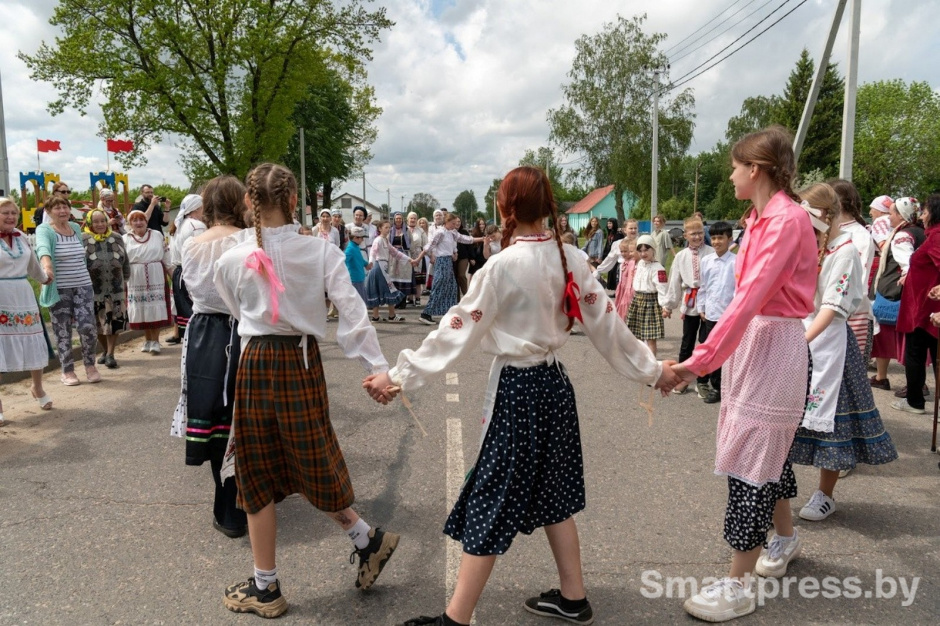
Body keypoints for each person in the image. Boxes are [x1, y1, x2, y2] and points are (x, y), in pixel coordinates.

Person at [363, 166, 678, 626]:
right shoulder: (568, 256)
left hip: (518, 389)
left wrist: (397, 376)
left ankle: (456, 618)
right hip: (554, 385)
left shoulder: (503, 265)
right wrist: (654, 372)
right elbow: (607, 325)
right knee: (554, 489)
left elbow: (457, 329)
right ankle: (573, 598)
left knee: (492, 494)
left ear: (506, 208)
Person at [213, 163, 399, 618]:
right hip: (299, 359)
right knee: (310, 455)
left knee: (257, 470)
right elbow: (353, 313)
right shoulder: (318, 252)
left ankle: (266, 586)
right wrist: (379, 369)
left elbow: (235, 311)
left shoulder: (230, 258)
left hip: (256, 360)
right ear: (294, 200)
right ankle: (365, 539)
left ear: (249, 203)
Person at [670, 127, 819, 622]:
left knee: (751, 464)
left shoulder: (784, 221)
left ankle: (738, 584)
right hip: (756, 341)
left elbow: (750, 298)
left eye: (735, 166)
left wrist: (696, 363)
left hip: (772, 341)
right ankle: (784, 537)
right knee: (764, 453)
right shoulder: (757, 219)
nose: (730, 174)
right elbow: (742, 303)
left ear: (754, 169)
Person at [788, 183, 898, 522]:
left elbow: (833, 308)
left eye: (806, 215)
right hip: (807, 335)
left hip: (830, 341)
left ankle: (825, 493)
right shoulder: (817, 246)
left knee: (833, 423)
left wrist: (801, 340)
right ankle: (778, 489)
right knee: (790, 417)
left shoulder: (847, 250)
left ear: (824, 215)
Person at [171, 175, 250, 539]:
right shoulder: (248, 239)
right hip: (241, 330)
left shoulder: (191, 243)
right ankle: (241, 503)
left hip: (203, 333)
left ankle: (225, 502)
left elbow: (189, 289)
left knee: (217, 418)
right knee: (243, 417)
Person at [35, 195, 102, 385]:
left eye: (65, 207)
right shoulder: (44, 230)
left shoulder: (74, 228)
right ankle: (67, 370)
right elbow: (43, 249)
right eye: (57, 208)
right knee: (62, 329)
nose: (62, 211)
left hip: (83, 284)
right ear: (48, 212)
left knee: (87, 326)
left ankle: (90, 365)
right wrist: (47, 267)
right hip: (59, 288)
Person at [0, 197, 53, 422]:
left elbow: (32, 264)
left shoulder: (21, 237)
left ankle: (37, 387)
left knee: (32, 341)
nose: (11, 217)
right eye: (5, 213)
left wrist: (44, 277)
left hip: (22, 295)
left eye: (14, 213)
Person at [869, 197, 924, 391]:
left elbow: (908, 263)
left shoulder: (902, 236)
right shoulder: (919, 232)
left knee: (893, 337)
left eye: (891, 213)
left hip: (894, 292)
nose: (888, 216)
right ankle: (915, 382)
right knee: (911, 338)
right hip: (904, 293)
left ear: (901, 215)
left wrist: (907, 276)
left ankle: (905, 382)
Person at [893, 195, 940, 415]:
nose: (922, 215)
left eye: (925, 211)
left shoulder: (937, 236)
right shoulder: (932, 235)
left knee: (916, 353)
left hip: (926, 309)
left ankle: (915, 401)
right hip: (924, 306)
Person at [663, 217, 715, 395]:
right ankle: (682, 378)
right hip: (691, 302)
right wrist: (669, 305)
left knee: (705, 343)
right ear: (685, 235)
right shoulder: (680, 256)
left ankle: (702, 380)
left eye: (700, 232)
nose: (697, 236)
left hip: (709, 303)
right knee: (687, 342)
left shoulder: (711, 253)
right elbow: (674, 282)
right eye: (693, 233)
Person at [829, 180, 876, 359]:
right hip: (830, 315)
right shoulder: (830, 232)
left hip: (852, 315)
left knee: (849, 381)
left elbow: (860, 282)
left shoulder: (860, 236)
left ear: (837, 204)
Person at [82, 209, 130, 369]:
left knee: (114, 322)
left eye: (103, 220)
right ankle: (104, 350)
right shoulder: (83, 239)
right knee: (98, 324)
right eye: (96, 222)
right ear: (89, 223)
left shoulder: (116, 238)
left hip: (115, 288)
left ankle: (110, 353)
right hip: (93, 290)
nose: (100, 224)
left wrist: (126, 279)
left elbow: (125, 260)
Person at [417, 213, 483, 325]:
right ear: (446, 222)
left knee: (452, 287)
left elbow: (466, 239)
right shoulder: (440, 232)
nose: (455, 225)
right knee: (439, 287)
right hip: (442, 261)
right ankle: (426, 314)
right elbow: (429, 246)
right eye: (453, 223)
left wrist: (481, 239)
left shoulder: (452, 233)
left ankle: (449, 313)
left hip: (448, 261)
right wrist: (418, 259)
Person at [696, 221, 736, 404]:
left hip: (730, 316)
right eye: (713, 237)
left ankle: (727, 387)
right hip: (711, 314)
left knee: (729, 353)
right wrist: (701, 308)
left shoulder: (736, 262)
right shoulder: (706, 261)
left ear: (730, 239)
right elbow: (703, 287)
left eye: (721, 237)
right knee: (712, 351)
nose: (717, 241)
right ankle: (715, 386)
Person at [124, 209, 172, 353]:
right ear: (130, 223)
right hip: (135, 278)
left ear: (146, 221)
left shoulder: (157, 235)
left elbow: (166, 255)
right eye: (135, 220)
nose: (139, 223)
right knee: (142, 309)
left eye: (141, 219)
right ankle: (147, 340)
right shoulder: (125, 238)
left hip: (155, 274)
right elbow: (122, 261)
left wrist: (172, 274)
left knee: (155, 307)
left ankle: (156, 341)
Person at [169, 194, 207, 341]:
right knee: (196, 313)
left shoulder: (178, 225)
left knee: (185, 314)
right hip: (192, 271)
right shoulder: (196, 226)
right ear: (197, 208)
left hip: (179, 272)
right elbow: (201, 253)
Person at [626, 234, 669, 356]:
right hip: (637, 301)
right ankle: (640, 361)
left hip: (650, 303)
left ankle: (651, 363)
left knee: (650, 337)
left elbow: (662, 289)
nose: (643, 254)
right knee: (636, 335)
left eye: (646, 250)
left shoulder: (658, 268)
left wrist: (665, 306)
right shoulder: (640, 264)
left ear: (653, 250)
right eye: (640, 251)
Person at [366, 220, 415, 322]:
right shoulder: (378, 240)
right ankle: (391, 315)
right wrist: (371, 263)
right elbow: (373, 252)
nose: (388, 230)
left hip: (382, 266)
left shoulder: (385, 240)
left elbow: (395, 252)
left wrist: (409, 259)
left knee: (380, 289)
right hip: (379, 266)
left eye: (389, 228)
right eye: (386, 227)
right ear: (380, 229)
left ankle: (376, 316)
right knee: (390, 289)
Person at [388, 211, 415, 302]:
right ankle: (395, 300)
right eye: (397, 219)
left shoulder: (407, 231)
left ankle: (403, 301)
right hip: (393, 257)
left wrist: (413, 257)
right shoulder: (391, 230)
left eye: (400, 218)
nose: (398, 220)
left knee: (403, 278)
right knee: (393, 277)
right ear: (394, 220)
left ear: (402, 220)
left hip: (404, 255)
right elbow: (387, 243)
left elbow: (411, 244)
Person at [345, 226, 371, 303]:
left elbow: (359, 258)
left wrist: (366, 264)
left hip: (359, 277)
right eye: (361, 237)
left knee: (361, 301)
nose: (363, 239)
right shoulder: (350, 249)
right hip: (354, 278)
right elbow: (344, 260)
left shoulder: (355, 247)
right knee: (359, 302)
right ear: (356, 237)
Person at [614, 238, 638, 321]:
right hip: (622, 288)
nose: (623, 254)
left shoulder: (632, 262)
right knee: (619, 306)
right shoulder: (623, 262)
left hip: (628, 288)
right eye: (622, 251)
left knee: (626, 308)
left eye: (626, 251)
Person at [409, 213, 428, 305]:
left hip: (418, 255)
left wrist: (430, 256)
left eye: (414, 218)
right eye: (411, 218)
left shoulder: (420, 231)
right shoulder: (404, 230)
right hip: (407, 255)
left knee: (418, 280)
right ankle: (409, 298)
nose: (412, 220)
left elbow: (426, 245)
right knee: (408, 277)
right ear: (408, 219)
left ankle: (417, 298)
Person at [601, 218, 624, 290]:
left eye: (610, 223)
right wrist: (604, 255)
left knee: (615, 274)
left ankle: (617, 290)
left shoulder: (618, 234)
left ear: (614, 224)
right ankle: (614, 290)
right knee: (611, 272)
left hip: (616, 257)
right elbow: (607, 245)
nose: (609, 225)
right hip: (610, 255)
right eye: (608, 223)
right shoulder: (610, 233)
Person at [454, 217, 473, 297]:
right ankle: (456, 299)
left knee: (461, 275)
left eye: (459, 221)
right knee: (455, 277)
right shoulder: (449, 232)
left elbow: (470, 245)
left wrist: (471, 257)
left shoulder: (464, 232)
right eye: (456, 222)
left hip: (463, 257)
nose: (458, 223)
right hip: (453, 257)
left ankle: (466, 296)